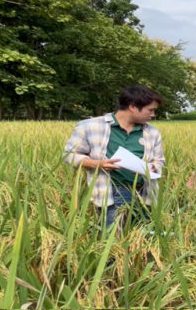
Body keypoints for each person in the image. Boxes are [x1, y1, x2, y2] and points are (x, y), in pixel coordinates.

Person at [63, 85, 165, 229]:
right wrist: (97, 164)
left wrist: (153, 167)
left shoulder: (152, 132)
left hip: (145, 194)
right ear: (133, 107)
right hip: (112, 192)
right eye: (151, 110)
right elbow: (69, 156)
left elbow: (159, 160)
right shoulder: (91, 126)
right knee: (114, 240)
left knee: (144, 238)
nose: (153, 115)